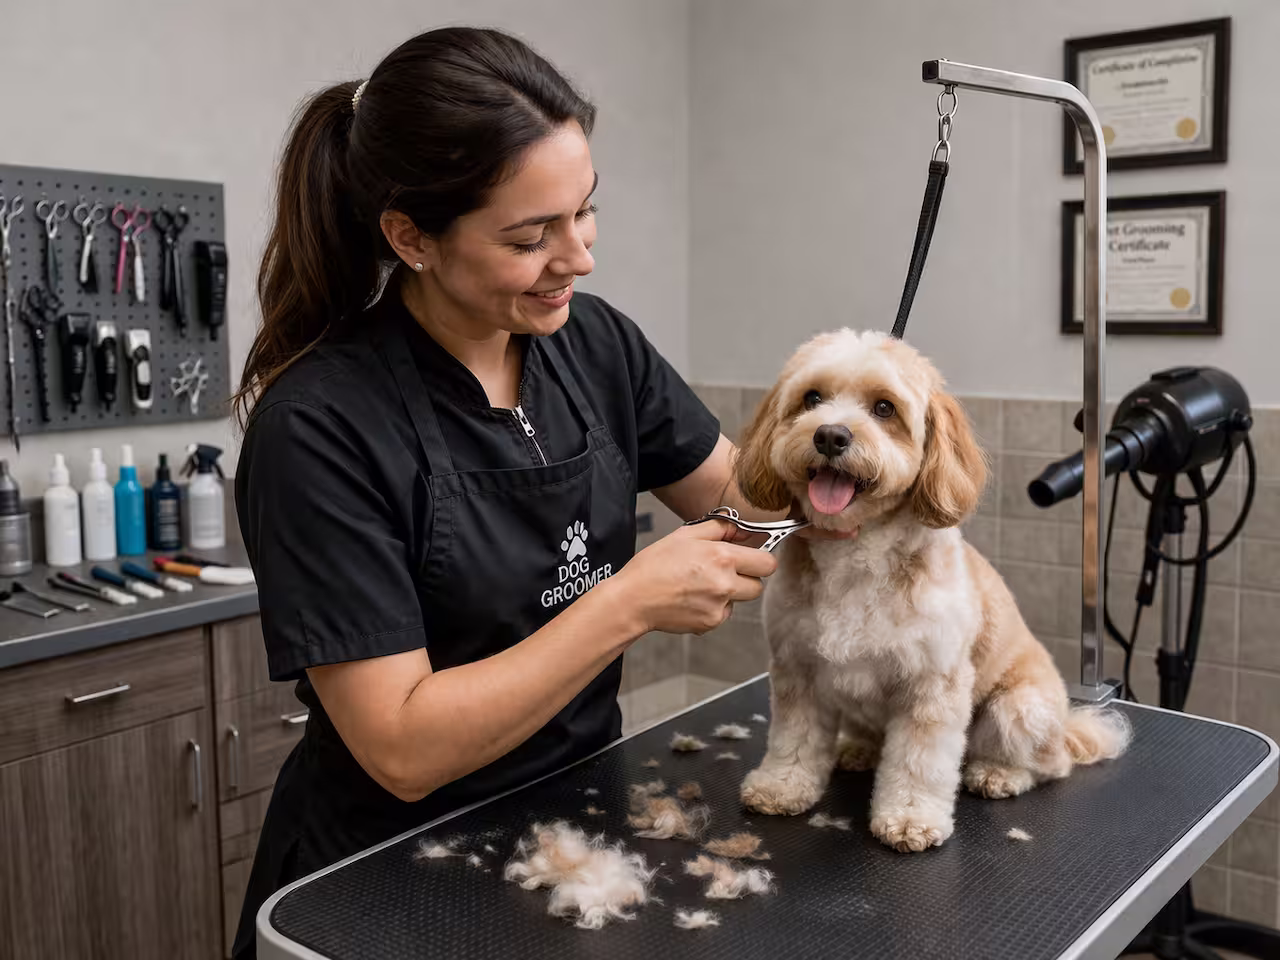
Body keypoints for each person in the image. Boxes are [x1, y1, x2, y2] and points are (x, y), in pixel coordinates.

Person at [231, 25, 836, 958]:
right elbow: (401, 747)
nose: (579, 255)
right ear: (410, 237)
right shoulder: (320, 426)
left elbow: (753, 510)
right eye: (529, 236)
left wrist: (837, 436)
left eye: (584, 211)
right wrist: (626, 602)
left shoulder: (598, 347)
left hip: (573, 826)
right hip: (385, 877)